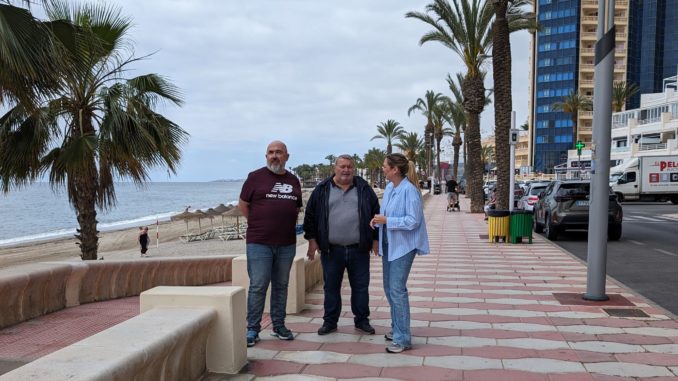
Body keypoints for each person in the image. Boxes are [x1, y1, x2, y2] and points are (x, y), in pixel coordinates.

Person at [303, 154, 380, 336]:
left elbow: (376, 215)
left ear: (353, 168)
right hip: (331, 250)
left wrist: (376, 240)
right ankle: (330, 322)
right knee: (331, 287)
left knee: (361, 287)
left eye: (349, 167)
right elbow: (310, 217)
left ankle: (362, 320)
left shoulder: (363, 188)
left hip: (359, 249)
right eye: (342, 166)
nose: (346, 170)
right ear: (335, 168)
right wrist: (312, 241)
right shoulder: (322, 189)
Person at [238, 140, 303, 347]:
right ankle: (252, 329)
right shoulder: (254, 177)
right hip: (259, 243)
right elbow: (243, 205)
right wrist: (259, 225)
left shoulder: (294, 180)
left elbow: (296, 208)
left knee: (281, 286)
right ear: (266, 156)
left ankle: (279, 325)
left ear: (287, 156)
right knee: (258, 286)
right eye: (270, 152)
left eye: (279, 152)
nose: (274, 156)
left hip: (286, 243)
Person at [370, 153, 430, 353]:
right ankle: (397, 328)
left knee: (397, 290)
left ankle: (403, 338)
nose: (383, 168)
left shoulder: (409, 191)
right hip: (389, 244)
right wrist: (377, 222)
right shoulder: (389, 188)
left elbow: (413, 220)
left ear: (395, 169)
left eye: (385, 166)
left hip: (404, 246)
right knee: (389, 288)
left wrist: (387, 222)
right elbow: (386, 215)